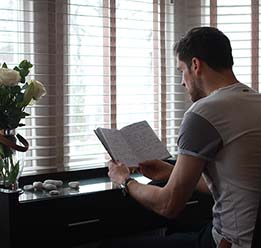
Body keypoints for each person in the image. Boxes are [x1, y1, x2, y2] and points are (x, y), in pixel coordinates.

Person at [103, 26, 261, 248]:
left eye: (181, 71)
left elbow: (169, 205)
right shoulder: (255, 101)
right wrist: (170, 171)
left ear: (195, 65)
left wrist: (124, 180)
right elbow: (237, 183)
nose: (182, 82)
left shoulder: (204, 113)